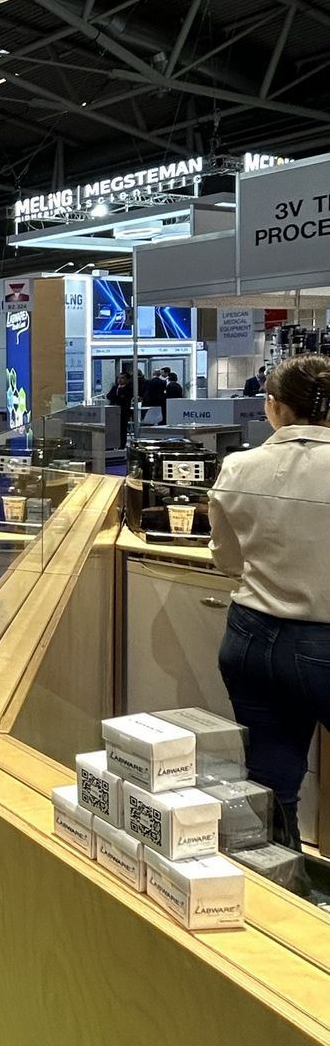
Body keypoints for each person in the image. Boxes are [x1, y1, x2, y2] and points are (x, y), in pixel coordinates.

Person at [208, 356, 330, 850]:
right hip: (322, 642)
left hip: (251, 638)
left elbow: (227, 559)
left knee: (271, 786)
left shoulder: (238, 466)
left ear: (272, 406)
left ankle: (280, 885)